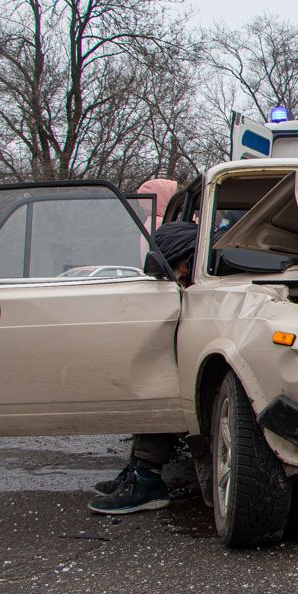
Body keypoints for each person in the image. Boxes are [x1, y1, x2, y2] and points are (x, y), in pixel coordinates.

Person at [88, 220, 199, 514]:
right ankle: (139, 470)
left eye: (177, 269)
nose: (178, 276)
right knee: (152, 392)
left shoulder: (202, 288)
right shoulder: (186, 281)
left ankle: (146, 478)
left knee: (157, 395)